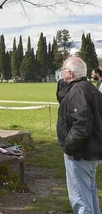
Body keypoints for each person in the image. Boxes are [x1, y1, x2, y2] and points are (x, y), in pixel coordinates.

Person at [57, 56, 102, 214]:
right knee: (89, 193)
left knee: (80, 199)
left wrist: (69, 148)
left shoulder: (78, 91)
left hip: (80, 153)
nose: (62, 73)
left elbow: (82, 124)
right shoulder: (90, 88)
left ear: (70, 73)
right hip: (91, 150)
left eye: (63, 70)